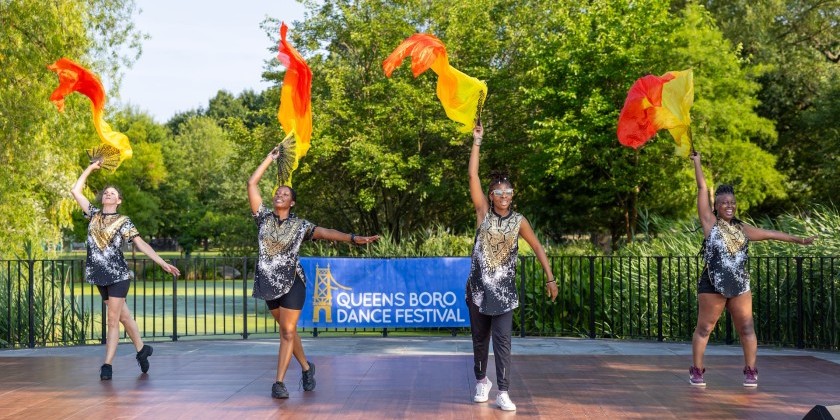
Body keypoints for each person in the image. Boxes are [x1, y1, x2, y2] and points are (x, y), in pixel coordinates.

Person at [248, 146, 380, 399]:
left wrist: (353, 238)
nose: (279, 195)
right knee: (289, 331)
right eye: (278, 192)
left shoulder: (300, 226)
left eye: (285, 194)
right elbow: (252, 183)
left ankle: (279, 383)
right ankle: (307, 368)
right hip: (268, 283)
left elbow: (327, 232)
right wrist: (269, 158)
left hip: (293, 282)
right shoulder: (263, 218)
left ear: (292, 202)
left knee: (286, 332)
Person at [689, 152, 814, 387]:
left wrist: (799, 240)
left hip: (739, 285)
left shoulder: (742, 228)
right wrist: (698, 163)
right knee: (705, 328)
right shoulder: (709, 222)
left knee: (746, 327)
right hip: (712, 284)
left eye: (732, 203)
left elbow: (770, 234)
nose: (729, 206)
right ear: (716, 206)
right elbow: (702, 188)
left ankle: (751, 370)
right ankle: (696, 369)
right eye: (724, 202)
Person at [466, 122, 559, 411]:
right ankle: (482, 380)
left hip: (504, 293)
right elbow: (472, 174)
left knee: (503, 342)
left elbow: (538, 247)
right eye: (499, 192)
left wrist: (550, 278)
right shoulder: (482, 212)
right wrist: (477, 142)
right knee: (480, 341)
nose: (505, 196)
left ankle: (503, 391)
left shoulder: (520, 221)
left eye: (509, 192)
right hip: (479, 290)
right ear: (491, 196)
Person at [70, 160, 181, 380]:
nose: (108, 194)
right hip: (99, 275)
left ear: (119, 201)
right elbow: (75, 190)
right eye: (106, 193)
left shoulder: (123, 221)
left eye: (112, 193)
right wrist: (91, 168)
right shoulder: (93, 215)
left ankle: (107, 365)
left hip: (118, 275)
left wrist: (161, 262)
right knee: (124, 317)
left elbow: (141, 244)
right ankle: (142, 350)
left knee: (112, 319)